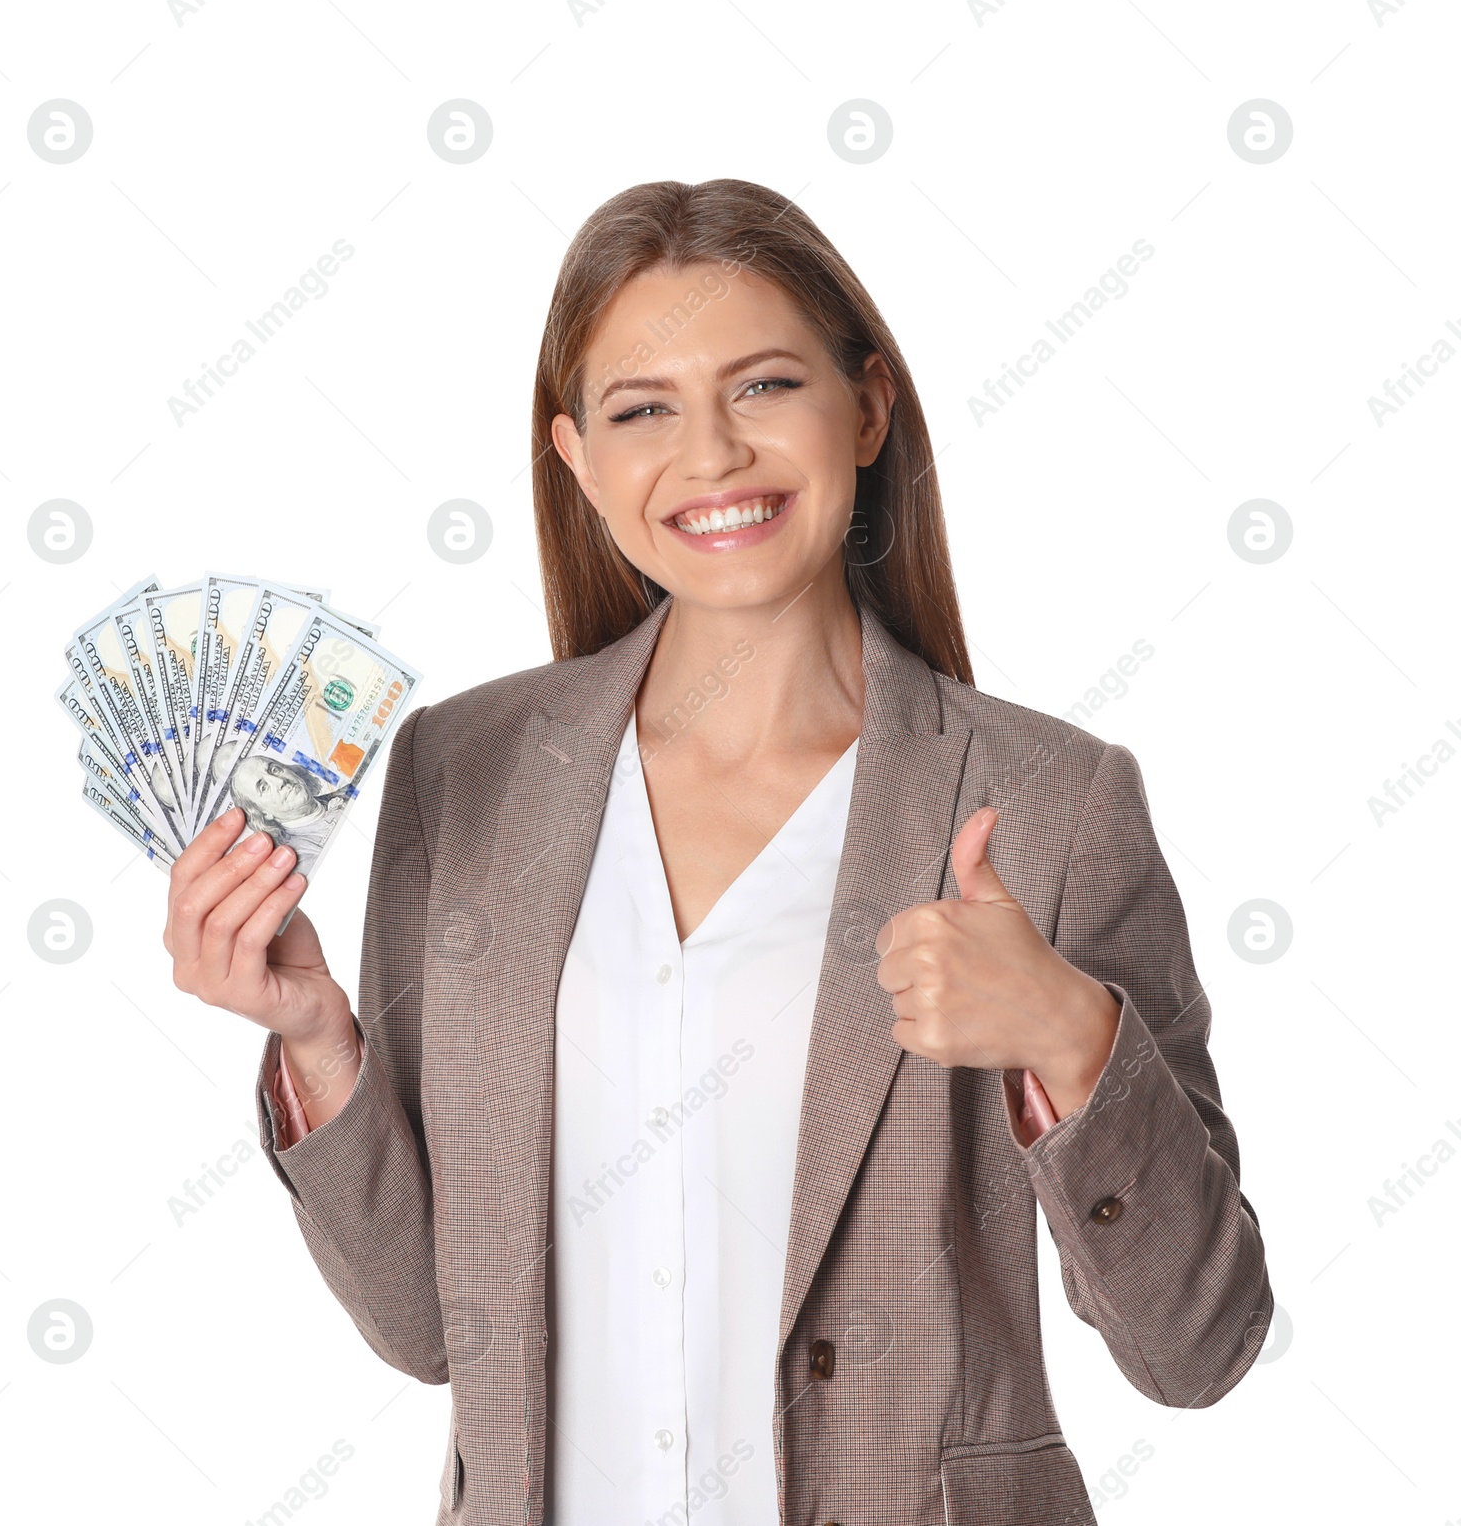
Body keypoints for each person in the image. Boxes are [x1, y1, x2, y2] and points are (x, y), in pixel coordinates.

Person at [161, 178, 1273, 1526]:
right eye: (643, 410)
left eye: (763, 387)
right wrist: (319, 1046)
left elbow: (1197, 1348)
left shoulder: (1050, 803)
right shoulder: (464, 773)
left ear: (865, 410)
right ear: (575, 457)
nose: (712, 456)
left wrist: (1073, 1039)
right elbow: (431, 1333)